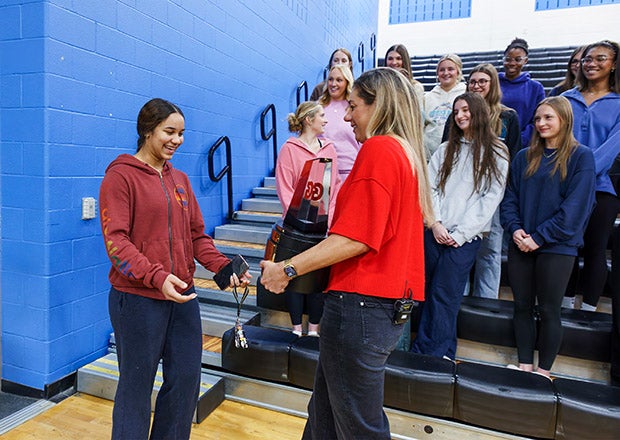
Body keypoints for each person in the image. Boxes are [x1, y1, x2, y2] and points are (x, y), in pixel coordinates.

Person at [260, 67, 433, 439]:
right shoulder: (406, 154)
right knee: (324, 415)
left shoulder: (381, 149)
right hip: (376, 305)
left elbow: (357, 238)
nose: (347, 117)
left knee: (358, 427)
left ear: (378, 105)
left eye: (353, 107)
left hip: (362, 305)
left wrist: (286, 269)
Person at [99, 98, 250, 439]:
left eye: (181, 133)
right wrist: (156, 276)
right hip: (137, 299)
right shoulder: (120, 177)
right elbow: (117, 243)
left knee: (184, 383)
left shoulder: (179, 179)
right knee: (136, 390)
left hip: (182, 296)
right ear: (147, 131)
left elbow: (196, 236)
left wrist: (224, 268)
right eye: (169, 131)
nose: (176, 140)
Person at [500, 97, 596, 378]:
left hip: (557, 246)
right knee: (521, 307)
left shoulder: (581, 156)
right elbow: (510, 199)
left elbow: (576, 208)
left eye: (548, 118)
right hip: (521, 242)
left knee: (550, 310)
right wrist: (515, 229)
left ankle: (543, 372)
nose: (541, 123)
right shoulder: (523, 157)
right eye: (538, 118)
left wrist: (539, 237)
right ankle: (525, 365)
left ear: (564, 120)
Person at [411, 92, 509, 360]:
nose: (460, 115)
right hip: (435, 231)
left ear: (478, 112)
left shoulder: (497, 151)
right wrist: (436, 223)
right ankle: (442, 351)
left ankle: (428, 355)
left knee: (445, 294)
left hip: (466, 238)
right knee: (429, 291)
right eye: (456, 112)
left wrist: (461, 234)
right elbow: (430, 189)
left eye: (465, 110)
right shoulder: (445, 149)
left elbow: (490, 198)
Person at [442, 63, 521, 299]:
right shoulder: (456, 115)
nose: (477, 85)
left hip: (492, 197)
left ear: (493, 85)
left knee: (489, 251)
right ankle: (461, 297)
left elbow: (514, 156)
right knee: (460, 247)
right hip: (461, 196)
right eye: (473, 81)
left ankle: (486, 301)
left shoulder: (508, 117)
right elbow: (447, 151)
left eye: (482, 81)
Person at [563, 40, 620, 312]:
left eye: (600, 58)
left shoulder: (619, 103)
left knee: (596, 250)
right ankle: (562, 306)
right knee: (566, 248)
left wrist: (581, 174)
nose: (591, 64)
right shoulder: (565, 99)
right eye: (587, 59)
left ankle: (587, 311)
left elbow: (610, 151)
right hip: (562, 185)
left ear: (614, 64)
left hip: (600, 188)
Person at [275, 101, 341, 336]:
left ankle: (313, 329)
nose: (325, 119)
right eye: (321, 115)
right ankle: (295, 328)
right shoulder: (289, 149)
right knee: (294, 276)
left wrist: (329, 218)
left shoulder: (329, 149)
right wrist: (297, 218)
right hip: (296, 227)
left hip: (322, 227)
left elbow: (335, 187)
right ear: (308, 119)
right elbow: (285, 188)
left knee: (317, 278)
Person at [499, 38, 546, 148]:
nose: (512, 63)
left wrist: (520, 139)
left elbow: (538, 117)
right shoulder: (493, 82)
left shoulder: (535, 87)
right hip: (493, 141)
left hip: (522, 144)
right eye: (508, 59)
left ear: (525, 61)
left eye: (517, 59)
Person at [319, 64, 360, 181]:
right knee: (323, 200)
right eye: (330, 79)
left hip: (350, 170)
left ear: (347, 82)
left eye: (339, 80)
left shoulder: (354, 107)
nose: (333, 84)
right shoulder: (318, 108)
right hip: (322, 169)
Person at [423, 53, 467, 158]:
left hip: (457, 153)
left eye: (450, 69)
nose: (446, 73)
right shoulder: (427, 97)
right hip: (430, 156)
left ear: (458, 72)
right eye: (442, 70)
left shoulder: (466, 93)